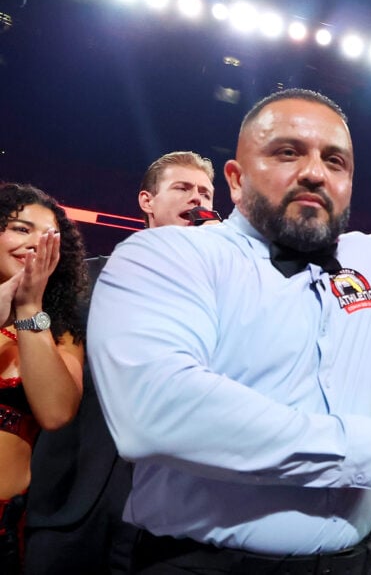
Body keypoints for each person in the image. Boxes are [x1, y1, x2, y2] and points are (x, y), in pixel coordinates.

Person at [87, 88, 371, 574]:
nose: (315, 172)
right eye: (288, 152)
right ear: (235, 180)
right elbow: (156, 411)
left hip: (350, 565)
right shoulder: (166, 256)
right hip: (196, 564)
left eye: (335, 161)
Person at [23, 150, 219, 575]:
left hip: (168, 515)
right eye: (183, 188)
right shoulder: (85, 280)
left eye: (205, 193)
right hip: (72, 496)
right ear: (147, 201)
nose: (197, 199)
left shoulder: (224, 294)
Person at [0, 183, 88, 573]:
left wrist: (29, 308)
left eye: (48, 235)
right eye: (21, 228)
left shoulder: (60, 331)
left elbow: (55, 412)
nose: (36, 242)